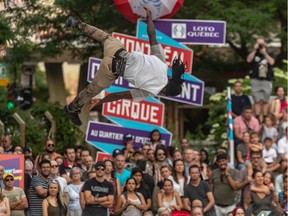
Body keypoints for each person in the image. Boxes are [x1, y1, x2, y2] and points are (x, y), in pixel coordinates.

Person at [64, 9, 186, 126]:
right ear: (165, 92)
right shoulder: (150, 92)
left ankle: (76, 24)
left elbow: (152, 35)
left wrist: (149, 18)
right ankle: (71, 108)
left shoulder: (162, 63)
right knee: (92, 90)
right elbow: (119, 95)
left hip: (117, 51)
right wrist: (101, 101)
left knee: (105, 37)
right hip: (110, 69)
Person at [247, 36, 275, 123]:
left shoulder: (269, 52)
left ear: (265, 44)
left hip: (266, 79)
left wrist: (265, 53)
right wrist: (255, 50)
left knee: (265, 100)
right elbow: (248, 60)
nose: (260, 46)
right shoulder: (254, 53)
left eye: (261, 44)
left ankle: (265, 119)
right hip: (256, 79)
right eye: (259, 44)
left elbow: (272, 62)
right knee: (257, 101)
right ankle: (258, 120)